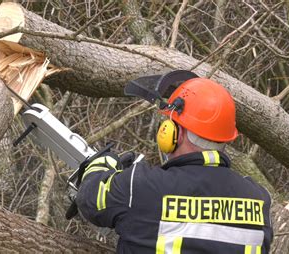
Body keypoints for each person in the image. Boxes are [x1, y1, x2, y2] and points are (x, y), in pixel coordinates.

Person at [75, 75, 273, 253]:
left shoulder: (141, 187)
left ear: (174, 132)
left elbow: (90, 198)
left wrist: (102, 165)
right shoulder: (259, 201)